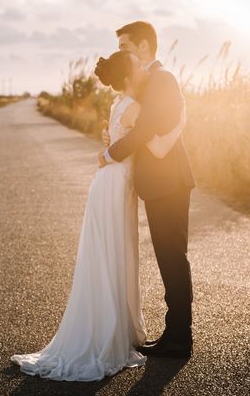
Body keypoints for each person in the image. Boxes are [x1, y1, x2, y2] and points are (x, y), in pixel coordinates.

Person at [10, 49, 186, 381]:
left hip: (108, 183)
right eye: (136, 65)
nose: (142, 67)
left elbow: (119, 138)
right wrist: (180, 121)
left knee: (104, 254)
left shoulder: (119, 103)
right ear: (129, 75)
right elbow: (152, 143)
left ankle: (107, 327)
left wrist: (107, 148)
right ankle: (109, 334)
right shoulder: (135, 107)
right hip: (116, 185)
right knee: (114, 254)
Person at [99, 21, 196, 358]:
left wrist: (111, 153)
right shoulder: (145, 81)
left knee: (173, 258)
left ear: (143, 47)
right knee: (167, 258)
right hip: (158, 183)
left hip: (169, 181)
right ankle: (175, 333)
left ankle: (180, 338)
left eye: (125, 47)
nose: (120, 54)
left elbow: (144, 131)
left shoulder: (161, 79)